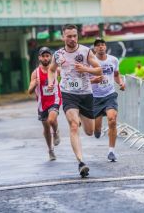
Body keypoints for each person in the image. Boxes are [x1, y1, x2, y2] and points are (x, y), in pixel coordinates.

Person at [48, 24, 102, 177]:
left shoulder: (85, 51)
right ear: (63, 37)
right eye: (69, 36)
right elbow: (52, 70)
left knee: (89, 131)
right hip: (68, 93)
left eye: (74, 36)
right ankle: (81, 162)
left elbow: (99, 69)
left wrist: (86, 69)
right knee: (73, 125)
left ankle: (86, 122)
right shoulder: (58, 54)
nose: (72, 39)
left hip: (86, 94)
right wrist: (52, 82)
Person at [90, 38, 125, 162]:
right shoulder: (90, 61)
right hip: (95, 97)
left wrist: (120, 83)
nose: (101, 47)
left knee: (112, 120)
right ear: (94, 48)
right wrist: (92, 80)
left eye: (103, 45)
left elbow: (116, 75)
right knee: (97, 129)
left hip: (109, 95)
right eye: (98, 45)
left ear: (105, 47)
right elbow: (83, 80)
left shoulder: (113, 60)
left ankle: (111, 151)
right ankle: (97, 130)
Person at [29, 47, 62, 161]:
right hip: (42, 103)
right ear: (39, 58)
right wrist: (34, 84)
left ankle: (56, 132)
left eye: (47, 56)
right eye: (43, 56)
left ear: (51, 57)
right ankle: (50, 150)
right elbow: (29, 91)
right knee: (46, 127)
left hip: (55, 99)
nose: (45, 58)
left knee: (52, 120)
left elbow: (66, 77)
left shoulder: (56, 70)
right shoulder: (35, 73)